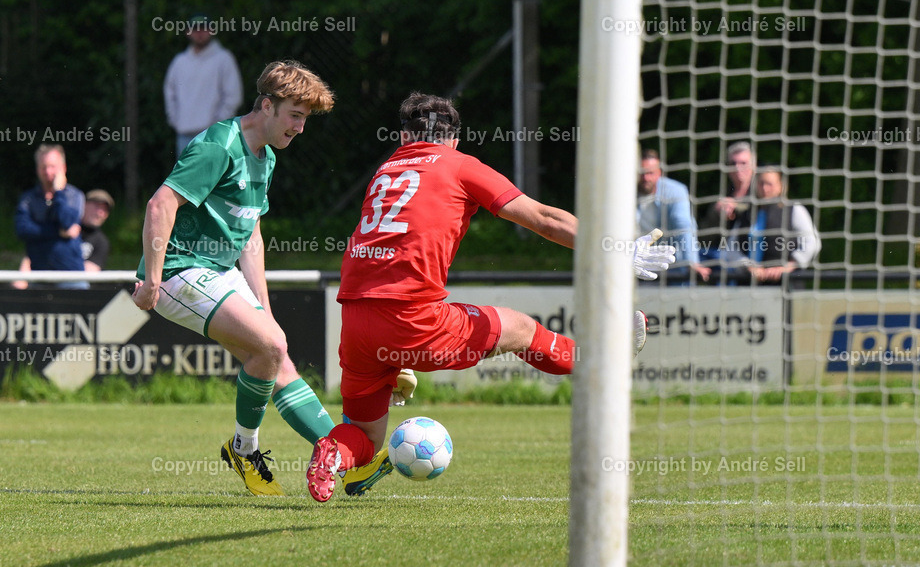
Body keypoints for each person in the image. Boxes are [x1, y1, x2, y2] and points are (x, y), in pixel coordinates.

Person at [305, 92, 676, 502]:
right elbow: (546, 220)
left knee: (366, 438)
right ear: (454, 140)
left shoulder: (386, 169)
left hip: (355, 320)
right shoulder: (460, 165)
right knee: (519, 327)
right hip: (411, 318)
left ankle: (333, 453)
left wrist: (395, 356)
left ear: (404, 136)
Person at [133, 60, 388, 498]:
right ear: (267, 105)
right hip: (180, 269)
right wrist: (153, 281)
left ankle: (344, 459)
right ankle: (245, 449)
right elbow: (161, 205)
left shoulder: (265, 156)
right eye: (295, 115)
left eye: (305, 119)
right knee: (272, 346)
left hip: (218, 271)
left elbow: (250, 234)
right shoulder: (220, 144)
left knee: (275, 358)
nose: (300, 128)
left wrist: (264, 307)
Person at [164, 14, 243, 159]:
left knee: (212, 179)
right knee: (184, 181)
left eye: (204, 28)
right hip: (184, 135)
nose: (199, 33)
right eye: (195, 29)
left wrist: (217, 126)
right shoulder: (179, 62)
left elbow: (233, 96)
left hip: (214, 136)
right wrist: (175, 120)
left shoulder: (224, 59)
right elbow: (170, 93)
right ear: (188, 32)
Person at [14, 144, 87, 289]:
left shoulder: (74, 195)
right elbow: (22, 230)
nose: (48, 171)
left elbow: (67, 222)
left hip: (72, 276)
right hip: (39, 276)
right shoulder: (28, 198)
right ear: (37, 169)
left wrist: (58, 193)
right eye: (43, 167)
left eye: (52, 166)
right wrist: (57, 232)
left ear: (63, 168)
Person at [12, 189, 114, 289]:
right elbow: (34, 251)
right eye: (97, 207)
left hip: (75, 291)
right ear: (83, 204)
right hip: (42, 279)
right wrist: (22, 278)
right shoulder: (61, 224)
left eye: (105, 210)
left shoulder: (101, 242)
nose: (101, 213)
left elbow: (87, 274)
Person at [637, 149, 710, 282]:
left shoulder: (676, 191)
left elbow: (683, 226)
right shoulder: (625, 191)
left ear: (659, 173)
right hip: (636, 262)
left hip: (672, 264)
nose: (646, 178)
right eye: (642, 173)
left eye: (650, 173)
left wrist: (691, 262)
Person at [743, 165, 821, 283]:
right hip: (751, 285)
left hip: (787, 284)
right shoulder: (748, 213)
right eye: (761, 183)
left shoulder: (794, 210)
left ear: (781, 186)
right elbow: (731, 248)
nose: (764, 188)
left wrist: (787, 267)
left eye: (769, 184)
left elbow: (812, 243)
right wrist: (748, 266)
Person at [699, 141, 755, 264]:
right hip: (721, 258)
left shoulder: (762, 193)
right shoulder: (721, 197)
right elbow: (703, 239)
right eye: (733, 163)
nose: (738, 168)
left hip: (752, 256)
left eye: (743, 163)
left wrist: (737, 208)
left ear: (753, 166)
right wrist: (716, 214)